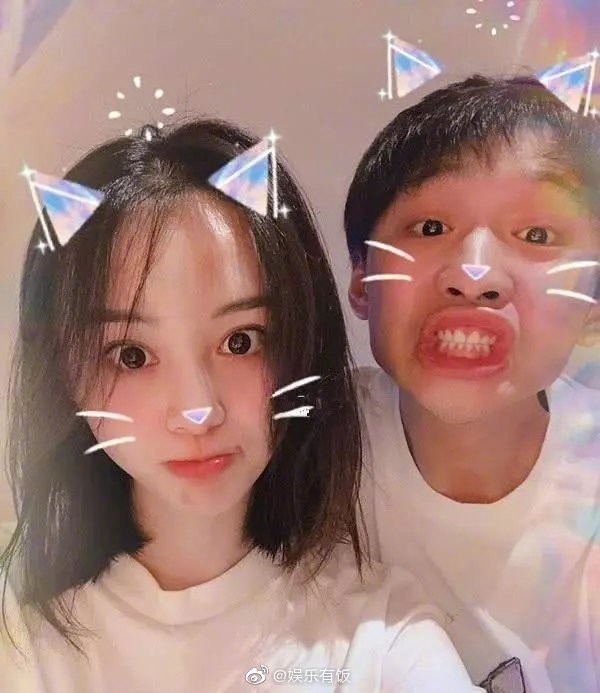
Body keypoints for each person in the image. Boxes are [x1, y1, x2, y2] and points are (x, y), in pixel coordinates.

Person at [0, 119, 480, 691]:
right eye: (131, 355)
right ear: (63, 372)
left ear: (303, 346)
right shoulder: (23, 636)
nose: (198, 410)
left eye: (240, 341)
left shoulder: (379, 642)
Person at [345, 74, 600, 693]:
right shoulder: (298, 449)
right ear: (360, 279)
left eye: (538, 235)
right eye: (431, 228)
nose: (475, 274)